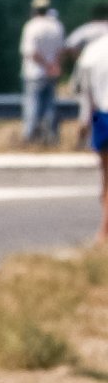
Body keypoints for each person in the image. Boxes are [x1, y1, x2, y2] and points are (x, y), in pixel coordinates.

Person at [74, 27, 108, 242]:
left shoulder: (93, 50)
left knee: (105, 176)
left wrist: (83, 123)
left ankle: (103, 232)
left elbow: (84, 91)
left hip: (102, 117)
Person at [19, 0, 65, 144]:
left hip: (34, 73)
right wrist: (54, 66)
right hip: (52, 73)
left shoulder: (31, 26)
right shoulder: (56, 26)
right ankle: (50, 136)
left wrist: (46, 65)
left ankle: (30, 136)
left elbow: (31, 52)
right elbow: (60, 50)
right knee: (50, 106)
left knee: (32, 106)